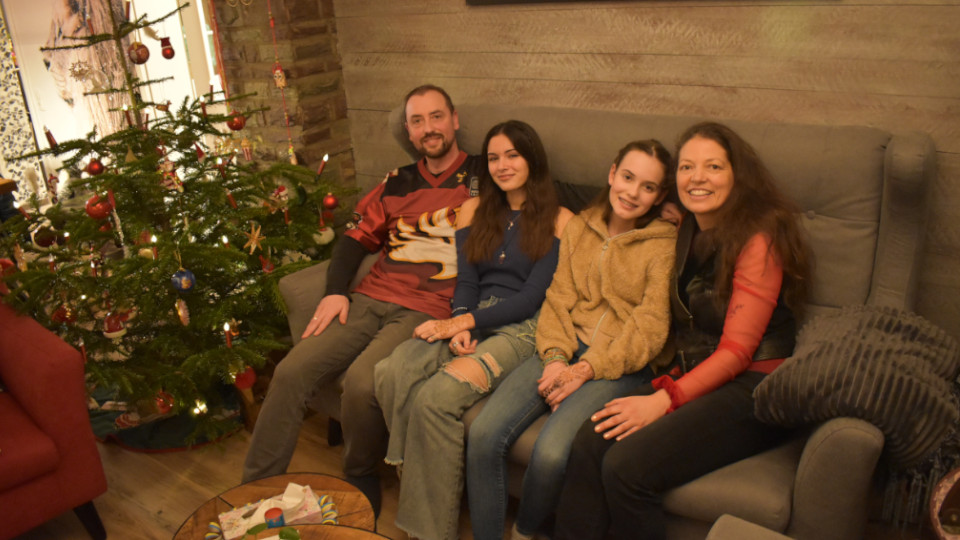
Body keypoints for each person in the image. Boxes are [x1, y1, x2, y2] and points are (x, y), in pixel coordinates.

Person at [552, 122, 813, 540]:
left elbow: (738, 352)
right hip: (703, 374)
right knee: (593, 435)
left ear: (736, 174)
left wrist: (663, 400)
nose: (698, 177)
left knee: (626, 467)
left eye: (713, 167)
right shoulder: (688, 226)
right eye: (687, 167)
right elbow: (604, 196)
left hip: (756, 388)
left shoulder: (760, 237)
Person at [242, 85, 486, 516]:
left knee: (360, 383)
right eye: (417, 121)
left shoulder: (485, 178)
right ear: (409, 133)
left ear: (454, 120)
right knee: (291, 370)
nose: (428, 128)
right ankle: (254, 494)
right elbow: (353, 241)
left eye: (436, 117)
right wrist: (336, 292)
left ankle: (359, 473)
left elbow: (542, 196)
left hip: (426, 309)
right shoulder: (395, 183)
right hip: (368, 298)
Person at [466, 139, 679, 540]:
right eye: (628, 177)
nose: (633, 192)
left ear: (660, 195)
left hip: (621, 364)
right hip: (565, 348)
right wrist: (555, 360)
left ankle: (524, 532)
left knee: (550, 453)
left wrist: (584, 370)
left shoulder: (664, 246)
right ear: (612, 173)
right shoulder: (580, 226)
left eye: (648, 187)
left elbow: (650, 328)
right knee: (482, 434)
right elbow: (558, 297)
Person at [373, 120, 573, 540]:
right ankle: (419, 477)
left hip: (522, 330)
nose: (503, 166)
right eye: (495, 158)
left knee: (436, 399)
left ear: (532, 159)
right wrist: (462, 317)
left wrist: (465, 321)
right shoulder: (473, 209)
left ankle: (429, 531)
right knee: (393, 369)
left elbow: (533, 297)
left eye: (513, 155)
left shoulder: (561, 221)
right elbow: (467, 280)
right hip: (475, 313)